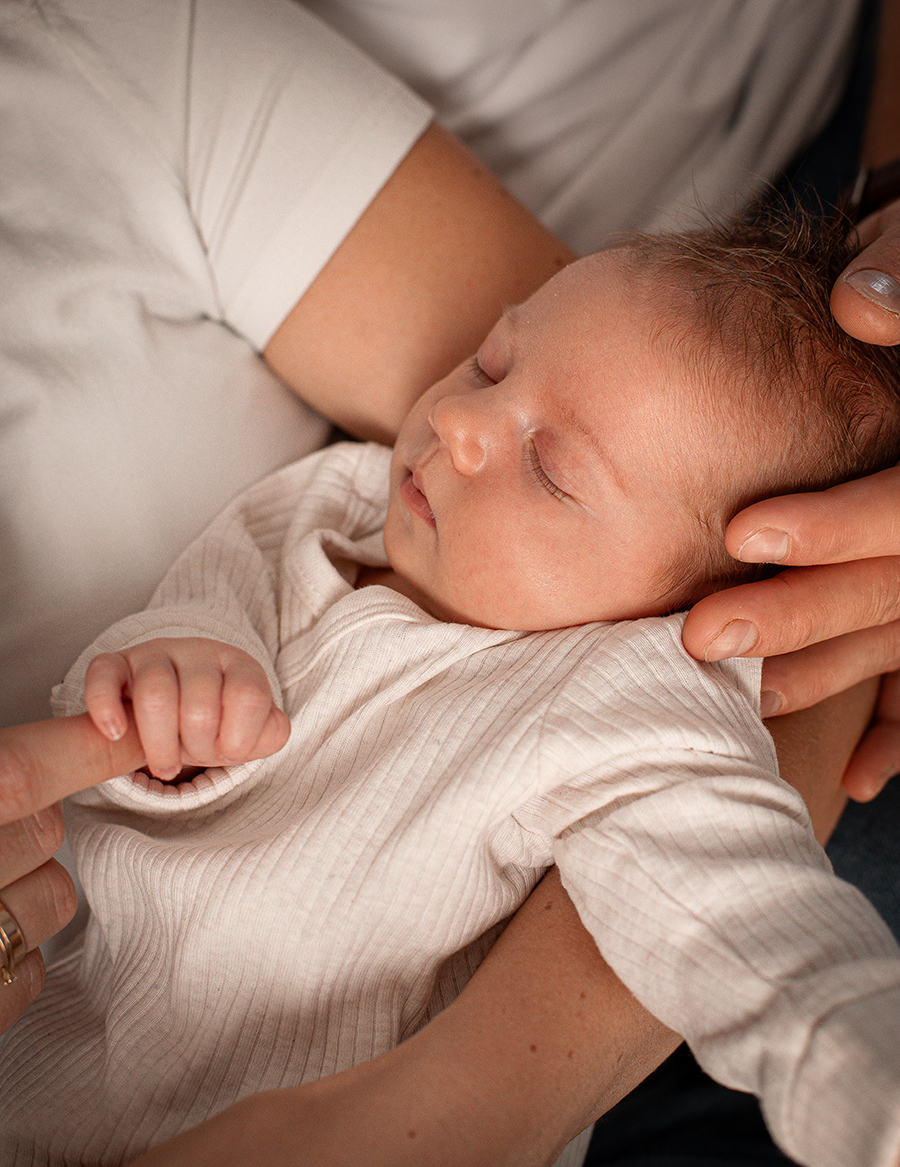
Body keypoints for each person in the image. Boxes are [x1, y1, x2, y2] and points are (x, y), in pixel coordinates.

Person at [1, 0, 900, 1162]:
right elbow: (202, 595)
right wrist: (180, 656)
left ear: (694, 610)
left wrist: (864, 1076)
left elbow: (750, 925)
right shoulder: (331, 506)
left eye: (553, 470)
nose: (463, 423)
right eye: (491, 358)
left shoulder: (633, 708)